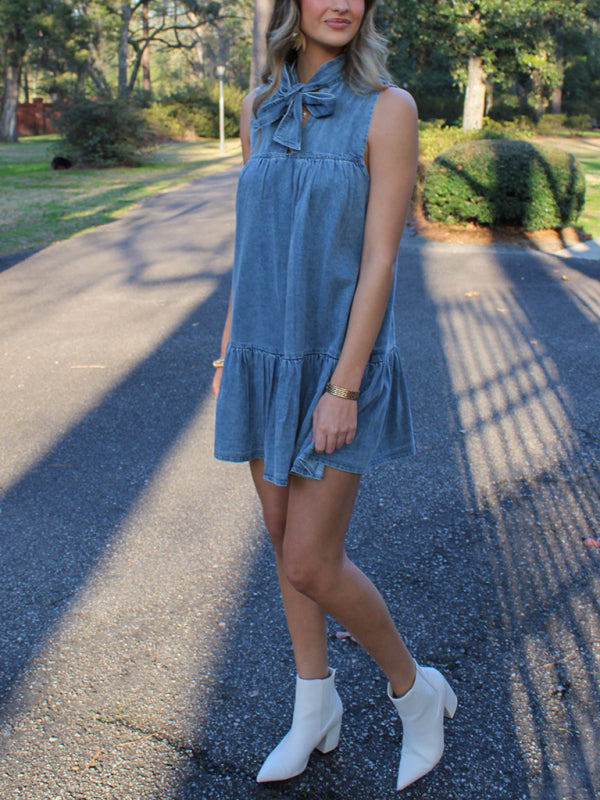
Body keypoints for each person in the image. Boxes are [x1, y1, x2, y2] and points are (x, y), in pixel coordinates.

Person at [212, 0, 457, 791]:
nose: (342, 3)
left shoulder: (390, 111)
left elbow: (382, 260)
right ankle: (314, 709)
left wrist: (344, 386)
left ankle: (415, 694)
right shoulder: (257, 107)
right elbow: (250, 246)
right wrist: (226, 355)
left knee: (312, 562)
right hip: (260, 357)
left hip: (334, 365)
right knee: (283, 546)